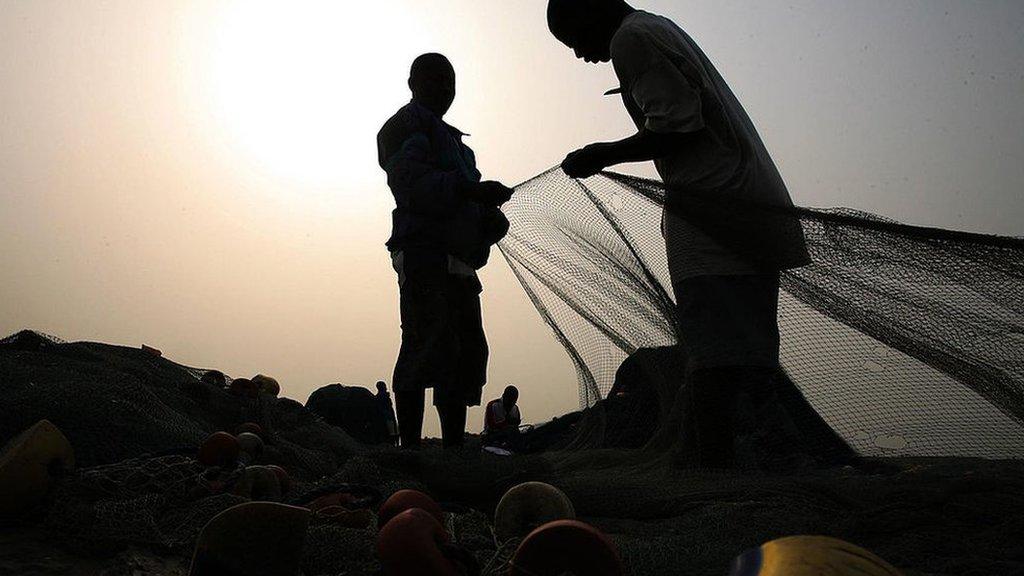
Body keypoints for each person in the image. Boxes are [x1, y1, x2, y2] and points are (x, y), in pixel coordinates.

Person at [546, 0, 843, 468]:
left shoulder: (632, 38)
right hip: (746, 204)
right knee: (749, 348)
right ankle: (765, 459)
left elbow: (678, 125)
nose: (581, 54)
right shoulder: (657, 26)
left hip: (714, 209)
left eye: (574, 40)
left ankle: (717, 473)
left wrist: (601, 154)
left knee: (714, 353)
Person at [377, 53, 514, 449]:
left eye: (451, 81)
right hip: (423, 253)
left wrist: (488, 220)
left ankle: (454, 450)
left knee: (464, 351)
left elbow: (465, 201)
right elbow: (410, 182)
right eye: (436, 79)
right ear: (413, 83)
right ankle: (412, 449)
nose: (445, 88)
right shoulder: (404, 127)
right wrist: (471, 191)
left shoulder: (459, 147)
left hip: (459, 261)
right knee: (425, 342)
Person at [375, 381, 400, 447]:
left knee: (393, 432)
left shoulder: (378, 397)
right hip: (388, 416)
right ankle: (395, 445)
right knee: (393, 432)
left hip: (388, 416)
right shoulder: (383, 397)